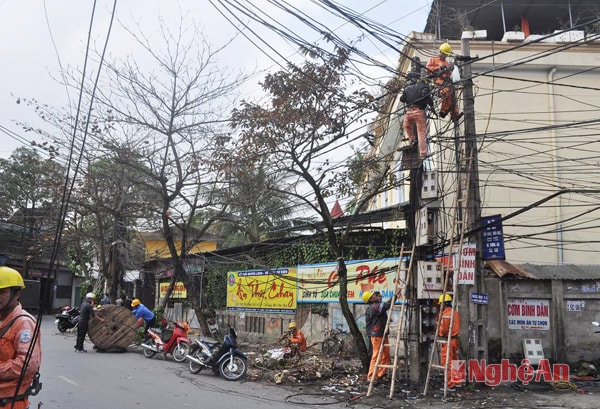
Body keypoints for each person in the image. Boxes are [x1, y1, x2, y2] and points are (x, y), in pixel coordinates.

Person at [0, 266, 42, 409]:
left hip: (10, 403)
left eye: (2, 292)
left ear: (16, 294)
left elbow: (28, 364)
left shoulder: (23, 322)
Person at [400, 70, 435, 159]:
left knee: (406, 126)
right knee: (421, 133)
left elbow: (402, 99)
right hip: (419, 112)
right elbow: (426, 96)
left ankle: (412, 140)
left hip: (409, 112)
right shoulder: (423, 86)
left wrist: (407, 92)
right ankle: (423, 153)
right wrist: (431, 105)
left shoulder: (407, 88)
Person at [426, 42, 463, 123]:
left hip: (446, 81)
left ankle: (454, 115)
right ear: (440, 52)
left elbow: (448, 74)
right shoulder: (433, 59)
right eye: (444, 54)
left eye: (446, 55)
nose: (445, 56)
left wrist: (450, 69)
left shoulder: (446, 62)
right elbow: (428, 69)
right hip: (438, 81)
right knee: (446, 92)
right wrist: (439, 67)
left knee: (452, 96)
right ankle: (444, 111)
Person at [363, 290, 395, 382]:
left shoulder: (375, 307)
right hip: (377, 335)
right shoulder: (374, 307)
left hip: (382, 333)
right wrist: (395, 296)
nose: (377, 296)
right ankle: (371, 376)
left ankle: (379, 374)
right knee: (376, 356)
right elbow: (386, 305)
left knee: (386, 355)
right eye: (374, 295)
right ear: (371, 299)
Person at [437, 293, 462, 390]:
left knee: (447, 362)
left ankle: (450, 385)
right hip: (455, 340)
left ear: (444, 303)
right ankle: (458, 382)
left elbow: (443, 330)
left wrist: (439, 332)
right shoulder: (455, 313)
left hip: (447, 341)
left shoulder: (445, 315)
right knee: (456, 361)